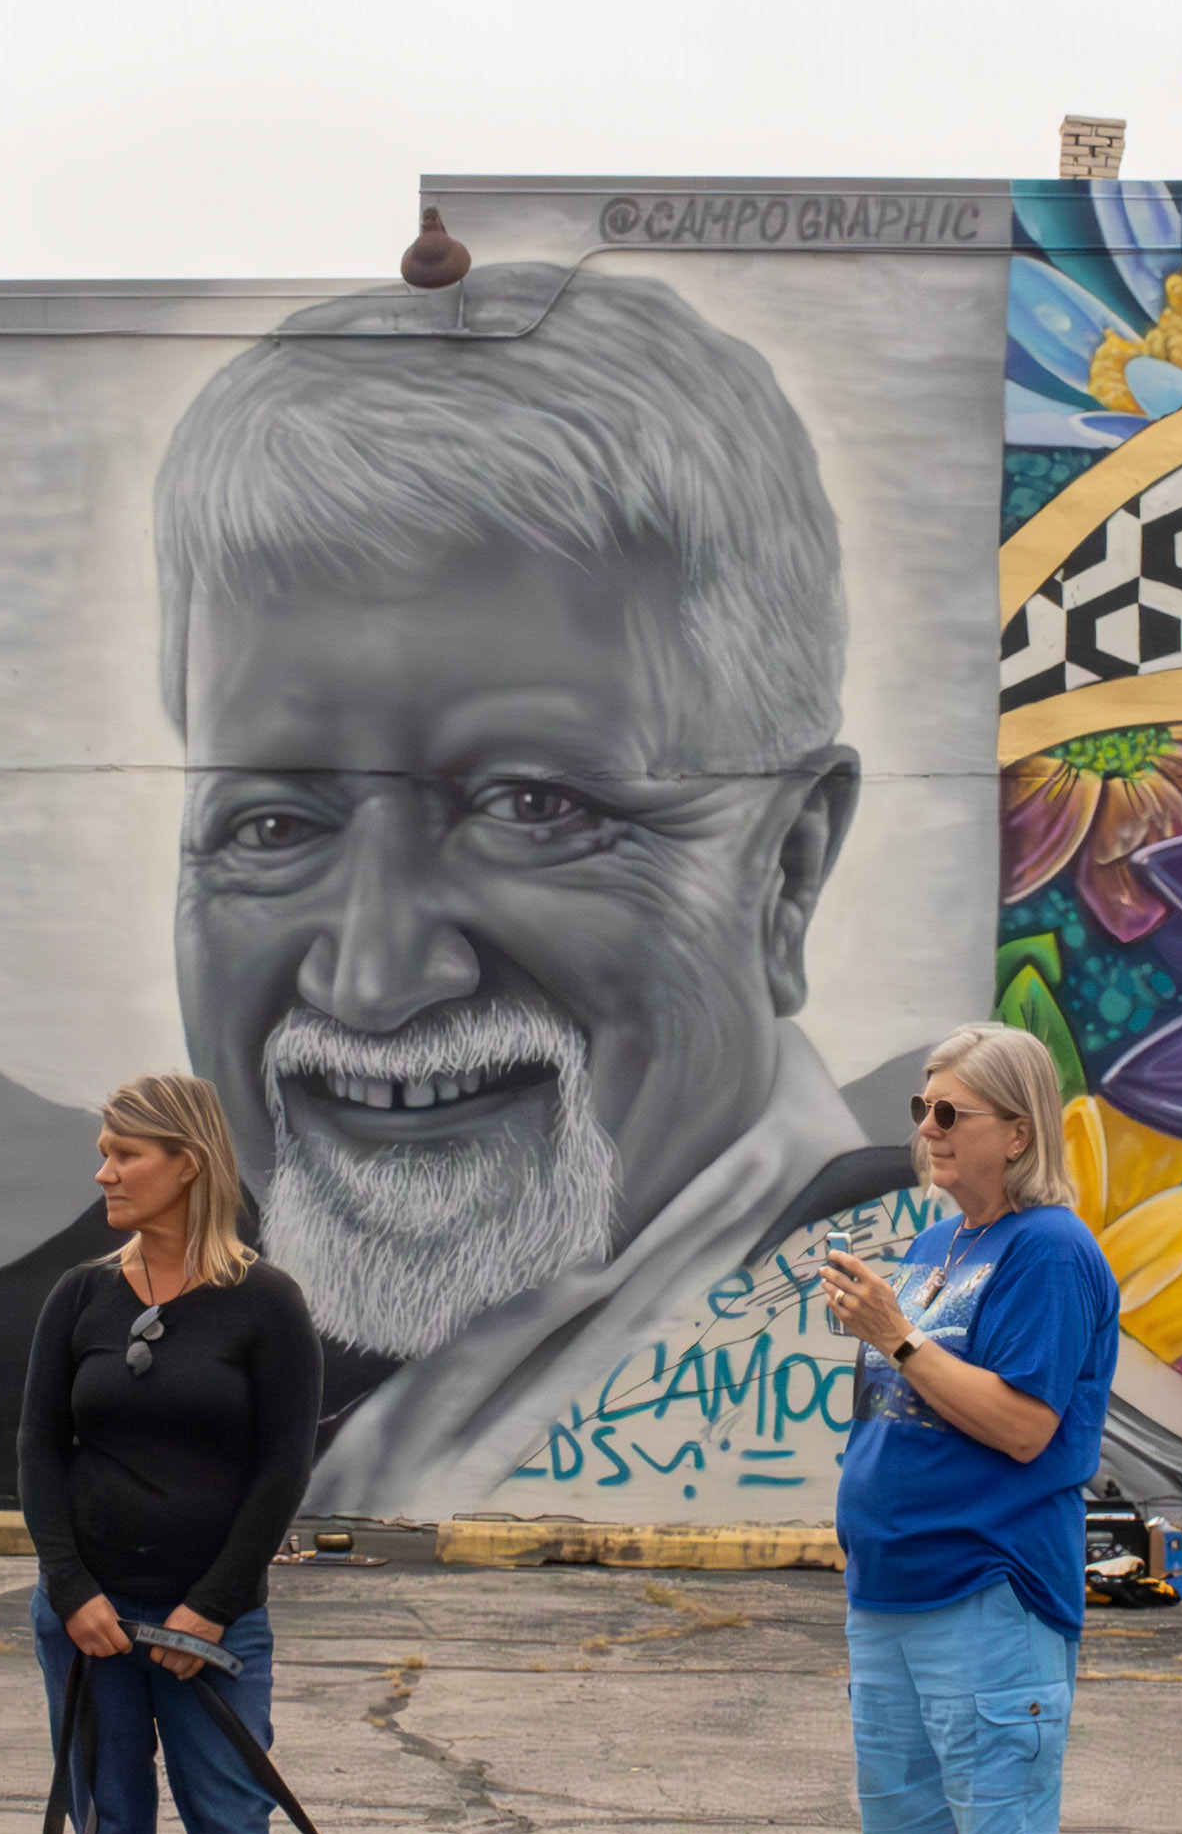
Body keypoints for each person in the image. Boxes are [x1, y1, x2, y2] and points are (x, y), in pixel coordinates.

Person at [153, 259, 913, 1515]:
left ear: (787, 869)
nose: (373, 977)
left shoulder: (918, 1360)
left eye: (532, 805)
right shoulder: (123, 1325)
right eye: (274, 823)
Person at [825, 1024, 1119, 1834]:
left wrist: (897, 1336)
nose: (927, 1127)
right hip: (893, 1585)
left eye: (952, 1112)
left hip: (988, 1586)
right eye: (924, 1107)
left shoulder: (1049, 1250)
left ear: (1018, 1132)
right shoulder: (937, 1245)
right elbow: (906, 1409)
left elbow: (1025, 1427)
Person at [18, 1072, 322, 1834]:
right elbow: (39, 1446)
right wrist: (70, 1591)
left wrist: (212, 1608)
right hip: (91, 1623)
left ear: (187, 1162)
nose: (104, 1173)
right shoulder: (79, 1295)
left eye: (125, 1154)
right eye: (103, 1153)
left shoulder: (266, 1303)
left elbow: (283, 1468)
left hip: (215, 1628)